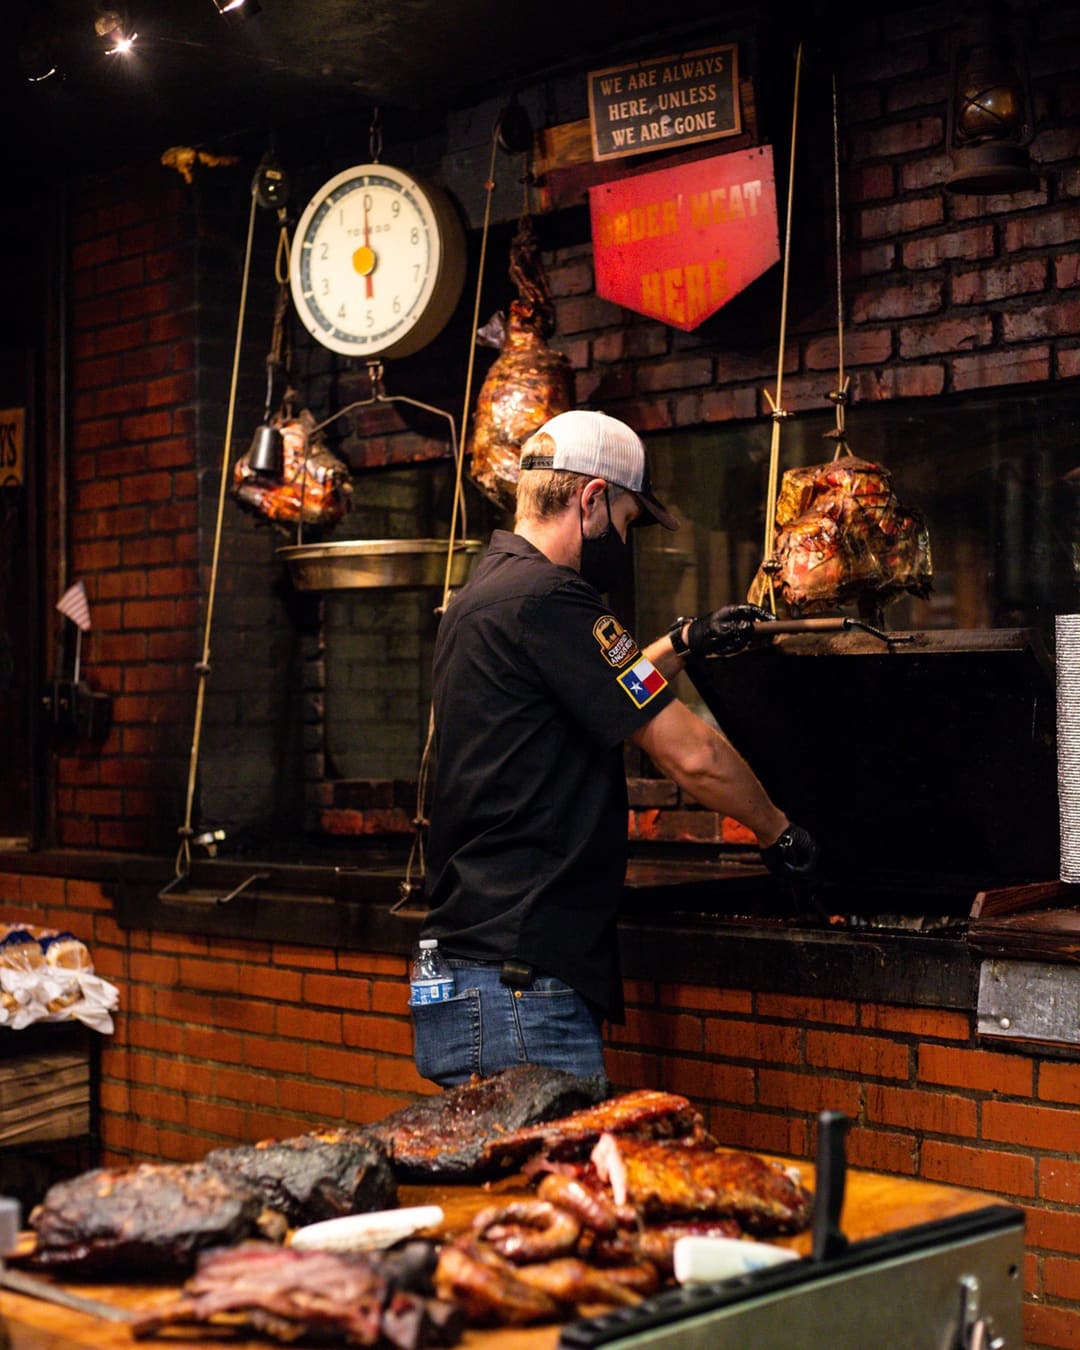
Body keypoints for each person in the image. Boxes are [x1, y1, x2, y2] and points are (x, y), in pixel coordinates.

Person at [413, 409, 818, 1087]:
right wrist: (780, 832)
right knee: (568, 1161)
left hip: (466, 977)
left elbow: (606, 685)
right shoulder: (552, 597)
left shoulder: (483, 594)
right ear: (592, 499)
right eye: (627, 521)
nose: (624, 542)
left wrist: (684, 644)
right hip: (519, 990)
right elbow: (692, 755)